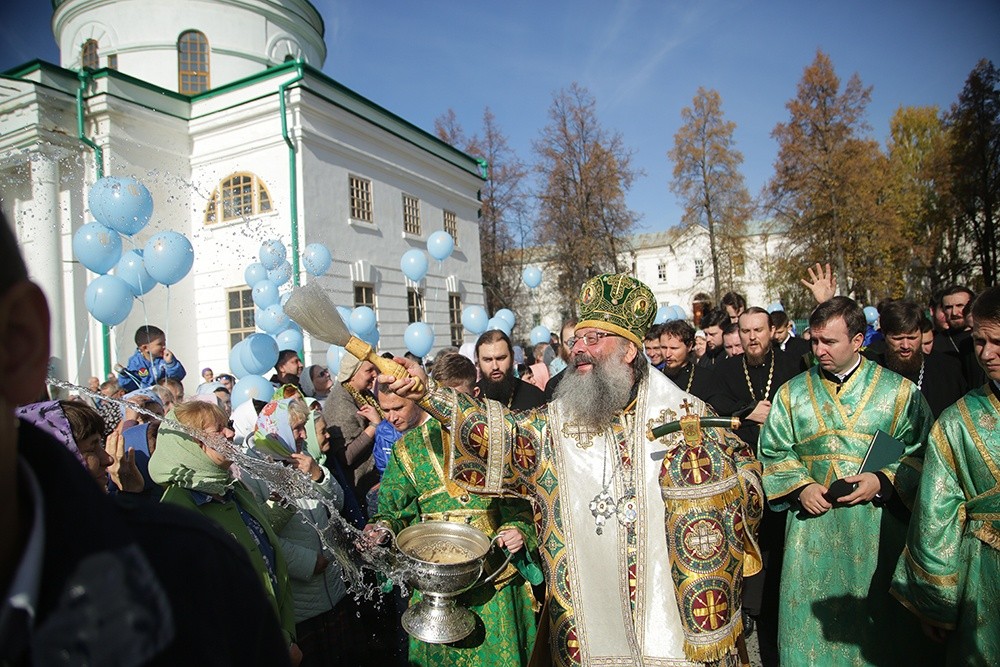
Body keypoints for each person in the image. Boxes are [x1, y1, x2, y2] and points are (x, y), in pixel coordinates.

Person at [378, 273, 763, 665]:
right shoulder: (556, 424)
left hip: (670, 621)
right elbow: (499, 434)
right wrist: (427, 394)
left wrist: (711, 490)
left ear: (629, 351)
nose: (578, 349)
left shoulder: (686, 414)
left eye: (593, 339)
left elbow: (748, 477)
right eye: (577, 339)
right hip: (589, 625)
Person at [0, 209, 290, 665]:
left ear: (19, 342)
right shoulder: (183, 520)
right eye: (216, 429)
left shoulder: (185, 565)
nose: (229, 434)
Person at [759, 296, 938, 666]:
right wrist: (801, 487)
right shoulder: (791, 393)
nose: (819, 350)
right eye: (814, 341)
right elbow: (773, 451)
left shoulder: (899, 393)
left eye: (829, 342)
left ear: (858, 341)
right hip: (811, 536)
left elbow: (925, 454)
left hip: (877, 533)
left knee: (879, 640)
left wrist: (883, 479)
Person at [364, 355, 541, 667]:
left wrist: (518, 529)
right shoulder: (408, 449)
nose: (390, 418)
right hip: (435, 585)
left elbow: (523, 502)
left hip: (494, 582)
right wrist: (382, 529)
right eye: (385, 410)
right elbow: (392, 511)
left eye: (398, 408)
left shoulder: (493, 438)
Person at [890, 285, 1000, 665]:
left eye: (997, 342)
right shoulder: (957, 423)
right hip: (985, 577)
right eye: (980, 341)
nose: (986, 354)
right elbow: (938, 517)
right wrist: (935, 600)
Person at [149, 400, 300, 661]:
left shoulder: (230, 490)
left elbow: (258, 542)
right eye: (218, 430)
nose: (230, 433)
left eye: (228, 425)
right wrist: (278, 645)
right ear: (192, 445)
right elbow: (210, 603)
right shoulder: (178, 511)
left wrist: (286, 635)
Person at [711, 307, 802, 666]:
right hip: (744, 472)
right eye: (746, 331)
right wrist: (746, 411)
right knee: (750, 539)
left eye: (758, 330)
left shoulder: (792, 364)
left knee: (780, 543)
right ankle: (751, 607)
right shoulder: (726, 369)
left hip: (785, 469)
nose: (752, 337)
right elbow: (714, 403)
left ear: (771, 331)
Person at [248, 398, 363, 667]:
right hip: (301, 597)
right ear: (276, 432)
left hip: (332, 586)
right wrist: (307, 562)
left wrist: (318, 476)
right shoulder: (253, 472)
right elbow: (260, 533)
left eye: (303, 427)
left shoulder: (301, 458)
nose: (303, 435)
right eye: (296, 429)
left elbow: (337, 504)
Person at [870, 300, 967, 418]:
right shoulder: (871, 370)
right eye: (897, 338)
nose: (905, 346)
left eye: (912, 338)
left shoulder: (948, 368)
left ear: (921, 334)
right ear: (884, 335)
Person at [322, 350, 383, 519]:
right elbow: (346, 456)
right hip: (361, 488)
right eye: (369, 370)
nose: (374, 375)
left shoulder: (361, 394)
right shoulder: (340, 403)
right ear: (352, 373)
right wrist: (374, 426)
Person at [474, 330, 546, 410]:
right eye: (488, 360)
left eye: (501, 358)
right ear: (478, 361)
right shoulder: (471, 398)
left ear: (512, 357)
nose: (495, 367)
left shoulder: (535, 397)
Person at [657, 319, 719, 408]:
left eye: (674, 348)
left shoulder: (706, 379)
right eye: (663, 347)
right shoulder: (655, 377)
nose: (667, 354)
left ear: (689, 346)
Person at [117, 324, 186, 392]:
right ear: (145, 348)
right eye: (160, 344)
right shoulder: (136, 362)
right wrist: (124, 375)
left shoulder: (165, 358)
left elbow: (177, 377)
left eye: (164, 343)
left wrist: (171, 364)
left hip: (165, 393)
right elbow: (130, 385)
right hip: (145, 395)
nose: (164, 347)